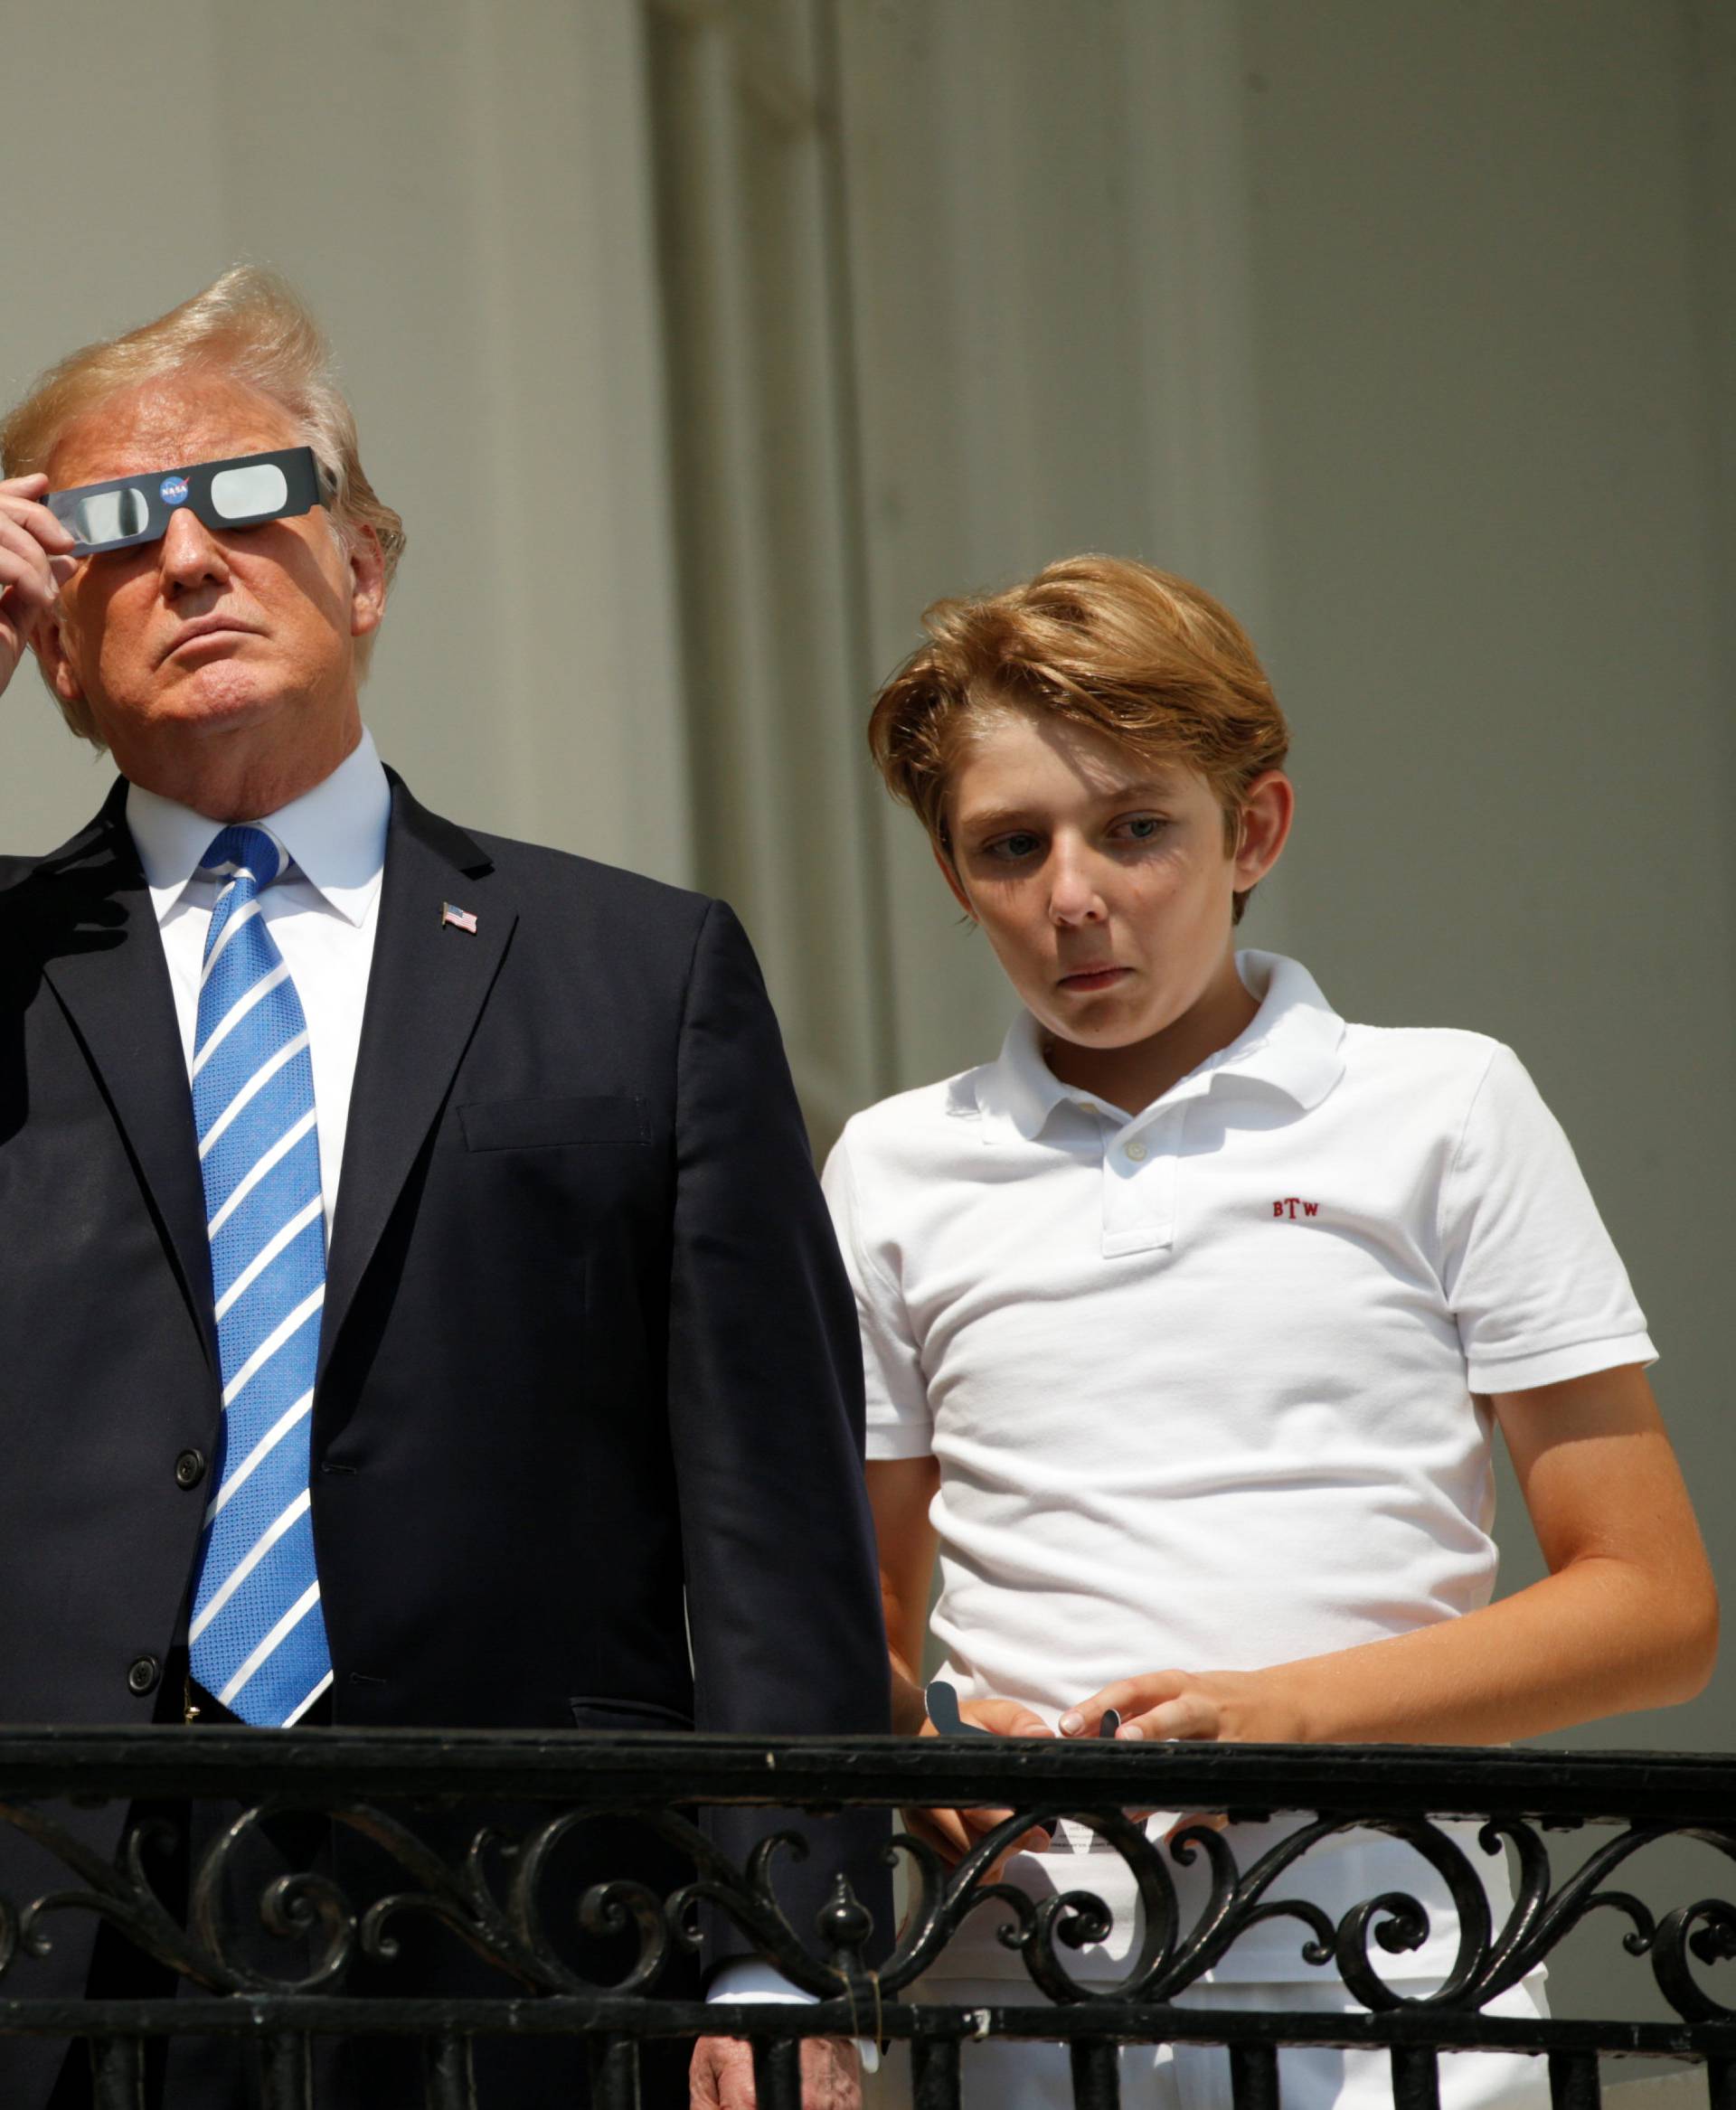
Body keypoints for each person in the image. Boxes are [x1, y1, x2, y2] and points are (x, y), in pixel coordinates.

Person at [0, 268, 886, 2110]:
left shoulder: (639, 972)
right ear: (51, 642)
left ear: (366, 569)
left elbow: (770, 1514)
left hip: (534, 1924)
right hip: (56, 1929)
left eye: (248, 500)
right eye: (102, 532)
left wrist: (789, 1950)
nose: (184, 561)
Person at [822, 554, 1718, 2110]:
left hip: (1406, 1982)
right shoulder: (896, 1164)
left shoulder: (1447, 1106)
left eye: (1137, 826)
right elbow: (859, 1625)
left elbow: (1654, 1604)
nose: (1075, 893)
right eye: (1011, 845)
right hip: (1026, 2000)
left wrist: (1279, 1715)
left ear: (1256, 830)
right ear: (959, 879)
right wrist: (942, 1750)